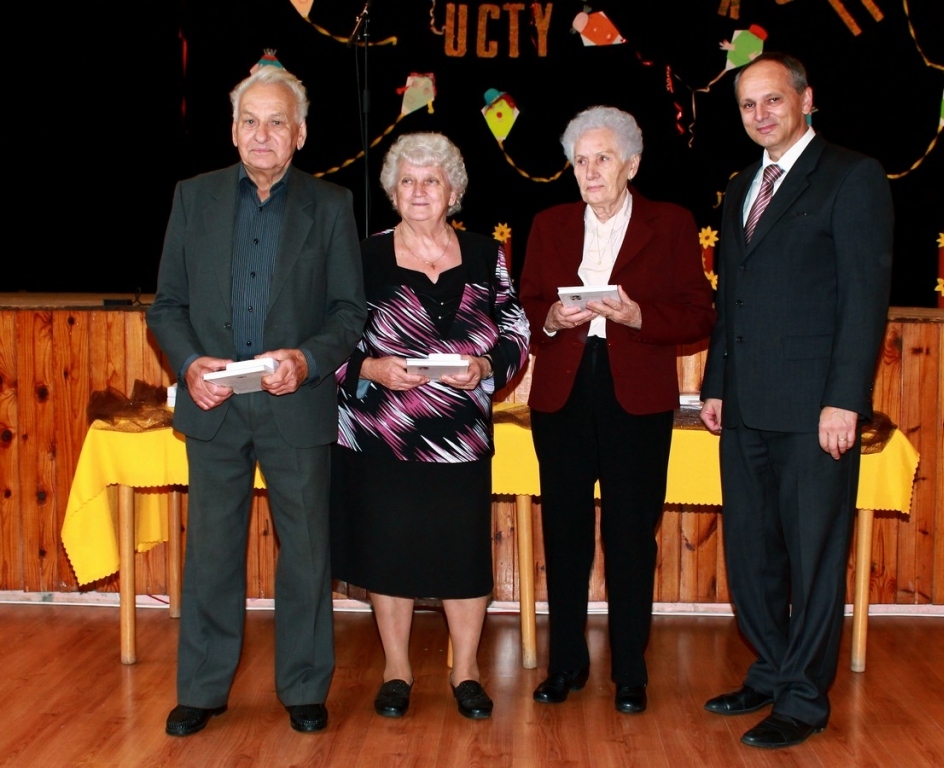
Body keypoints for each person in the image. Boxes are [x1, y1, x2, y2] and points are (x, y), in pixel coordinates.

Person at [147, 64, 366, 736]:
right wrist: (189, 365)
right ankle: (202, 689)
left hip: (294, 403)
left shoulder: (330, 205)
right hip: (214, 404)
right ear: (233, 129)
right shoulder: (194, 198)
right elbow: (167, 306)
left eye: (276, 122)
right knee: (212, 553)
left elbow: (348, 312)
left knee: (306, 553)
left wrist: (306, 361)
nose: (262, 133)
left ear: (299, 134)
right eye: (250, 121)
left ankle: (304, 687)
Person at [699, 52, 893, 749]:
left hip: (816, 412)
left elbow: (864, 300)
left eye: (773, 99)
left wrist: (845, 401)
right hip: (744, 407)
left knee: (813, 560)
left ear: (806, 100)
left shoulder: (852, 176)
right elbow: (732, 298)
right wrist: (715, 384)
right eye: (748, 105)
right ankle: (774, 670)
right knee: (752, 555)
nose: (760, 114)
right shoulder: (738, 187)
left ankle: (805, 699)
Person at [519, 106, 716, 714]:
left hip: (636, 396)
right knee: (565, 533)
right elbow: (525, 305)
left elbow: (699, 313)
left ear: (631, 163)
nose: (590, 171)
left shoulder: (671, 223)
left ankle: (630, 668)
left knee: (631, 535)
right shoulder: (549, 224)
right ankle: (565, 664)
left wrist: (637, 316)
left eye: (602, 158)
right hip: (563, 393)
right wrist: (552, 318)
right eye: (580, 161)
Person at [329, 132, 530, 720]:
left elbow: (516, 328)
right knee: (388, 551)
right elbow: (327, 336)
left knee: (463, 556)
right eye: (408, 181)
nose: (419, 191)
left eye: (431, 181)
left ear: (453, 191)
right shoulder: (361, 256)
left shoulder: (485, 255)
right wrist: (370, 368)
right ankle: (396, 670)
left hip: (461, 437)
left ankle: (466, 671)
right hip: (381, 434)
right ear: (393, 192)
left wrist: (486, 367)